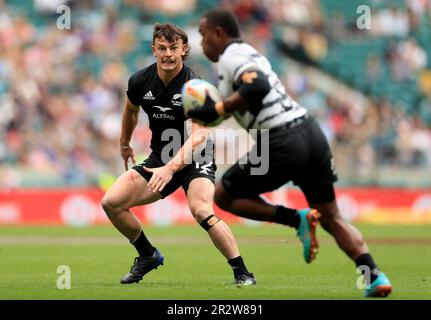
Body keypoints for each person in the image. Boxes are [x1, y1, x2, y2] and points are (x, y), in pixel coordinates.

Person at [187, 8, 392, 297]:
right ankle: (374, 275)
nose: (202, 42)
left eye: (203, 35)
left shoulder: (231, 55)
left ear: (218, 33)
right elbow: (251, 95)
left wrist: (219, 109)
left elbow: (256, 85)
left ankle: (296, 219)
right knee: (331, 216)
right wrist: (214, 113)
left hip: (282, 139)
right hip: (310, 131)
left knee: (224, 195)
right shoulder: (249, 54)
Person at [101, 23, 256, 286]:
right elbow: (131, 111)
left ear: (184, 50)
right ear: (153, 51)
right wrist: (124, 143)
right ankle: (148, 255)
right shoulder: (139, 80)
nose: (168, 54)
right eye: (162, 48)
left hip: (196, 158)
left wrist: (170, 169)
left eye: (174, 48)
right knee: (111, 202)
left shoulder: (195, 88)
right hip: (160, 157)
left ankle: (242, 272)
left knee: (200, 210)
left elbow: (199, 136)